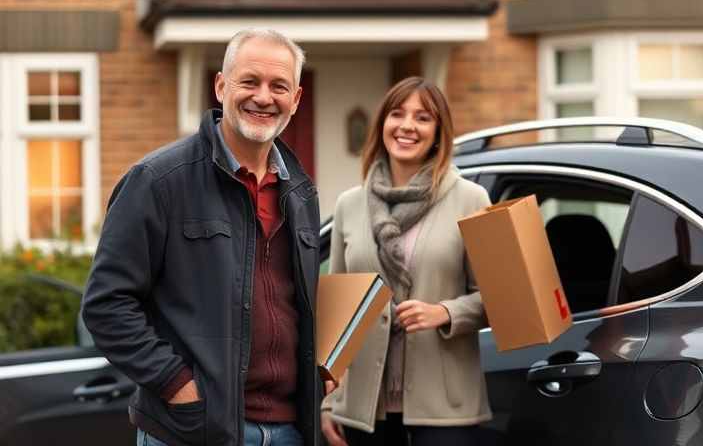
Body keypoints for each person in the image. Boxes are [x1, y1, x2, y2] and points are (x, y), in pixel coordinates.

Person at [82, 28, 327, 446]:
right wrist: (179, 386)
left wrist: (319, 368)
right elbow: (107, 304)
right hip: (191, 432)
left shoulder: (300, 191)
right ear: (221, 86)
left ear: (296, 99)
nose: (264, 97)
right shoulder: (158, 181)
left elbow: (293, 305)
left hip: (289, 432)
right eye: (249, 81)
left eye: (278, 86)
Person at [321, 77, 492, 446]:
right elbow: (339, 318)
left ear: (438, 133)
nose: (407, 126)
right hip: (365, 409)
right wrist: (330, 402)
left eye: (423, 118)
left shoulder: (471, 199)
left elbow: (501, 299)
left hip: (446, 408)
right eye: (397, 114)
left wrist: (446, 312)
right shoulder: (349, 205)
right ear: (382, 123)